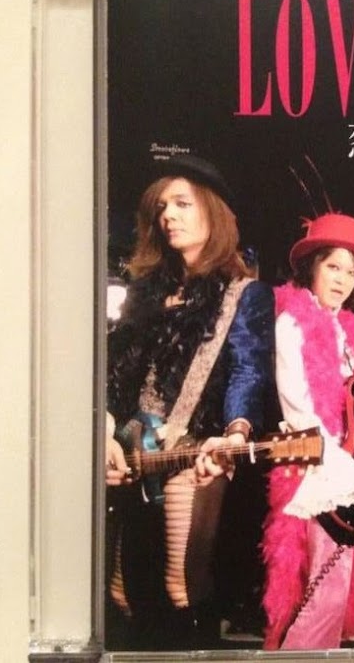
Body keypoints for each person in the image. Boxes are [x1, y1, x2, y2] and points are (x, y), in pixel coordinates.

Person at [105, 154, 274, 649]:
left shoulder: (245, 294)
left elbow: (248, 369)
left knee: (182, 588)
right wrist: (105, 432)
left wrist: (237, 431)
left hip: (196, 450)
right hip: (133, 450)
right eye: (161, 207)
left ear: (212, 212)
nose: (168, 216)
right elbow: (118, 373)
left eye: (182, 204)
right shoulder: (144, 294)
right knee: (123, 592)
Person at [259, 212, 354, 650]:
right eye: (333, 266)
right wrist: (344, 468)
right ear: (312, 266)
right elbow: (298, 407)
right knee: (319, 589)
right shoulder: (292, 322)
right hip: (314, 462)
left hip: (347, 461)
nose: (343, 279)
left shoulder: (349, 329)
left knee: (334, 585)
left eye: (351, 271)